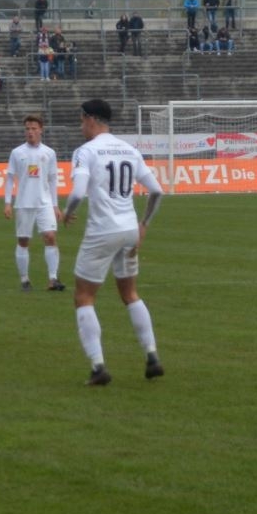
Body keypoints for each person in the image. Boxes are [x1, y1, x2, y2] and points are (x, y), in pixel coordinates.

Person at [62, 100, 165, 385]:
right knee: (130, 294)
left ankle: (98, 367)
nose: (81, 126)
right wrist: (144, 224)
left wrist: (68, 213)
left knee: (84, 297)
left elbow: (77, 193)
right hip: (129, 229)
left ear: (90, 119)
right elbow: (157, 190)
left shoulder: (86, 151)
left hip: (102, 230)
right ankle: (152, 356)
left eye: (81, 120)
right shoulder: (129, 149)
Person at [6, 115, 64, 292]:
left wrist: (55, 205)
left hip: (44, 203)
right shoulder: (17, 152)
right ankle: (25, 280)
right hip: (24, 203)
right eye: (27, 129)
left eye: (33, 128)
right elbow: (10, 178)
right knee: (23, 241)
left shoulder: (49, 153)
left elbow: (52, 179)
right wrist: (7, 203)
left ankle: (53, 279)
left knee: (50, 237)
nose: (30, 132)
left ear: (41, 130)